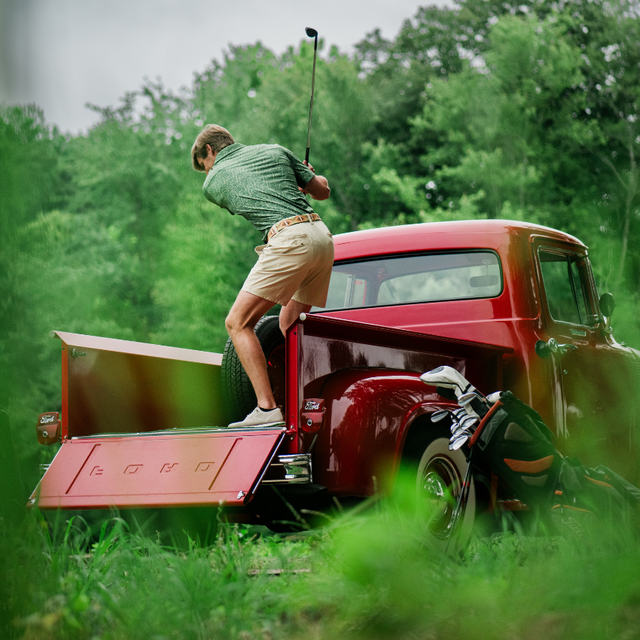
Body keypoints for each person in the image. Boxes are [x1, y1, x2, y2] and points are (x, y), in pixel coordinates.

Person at [191, 124, 334, 428]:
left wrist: (293, 183)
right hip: (321, 237)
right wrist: (306, 178)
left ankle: (267, 409)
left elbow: (251, 192)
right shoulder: (275, 150)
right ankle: (314, 396)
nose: (207, 173)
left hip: (289, 239)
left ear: (209, 151)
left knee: (238, 322)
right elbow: (322, 191)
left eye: (205, 166)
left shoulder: (212, 183)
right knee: (289, 323)